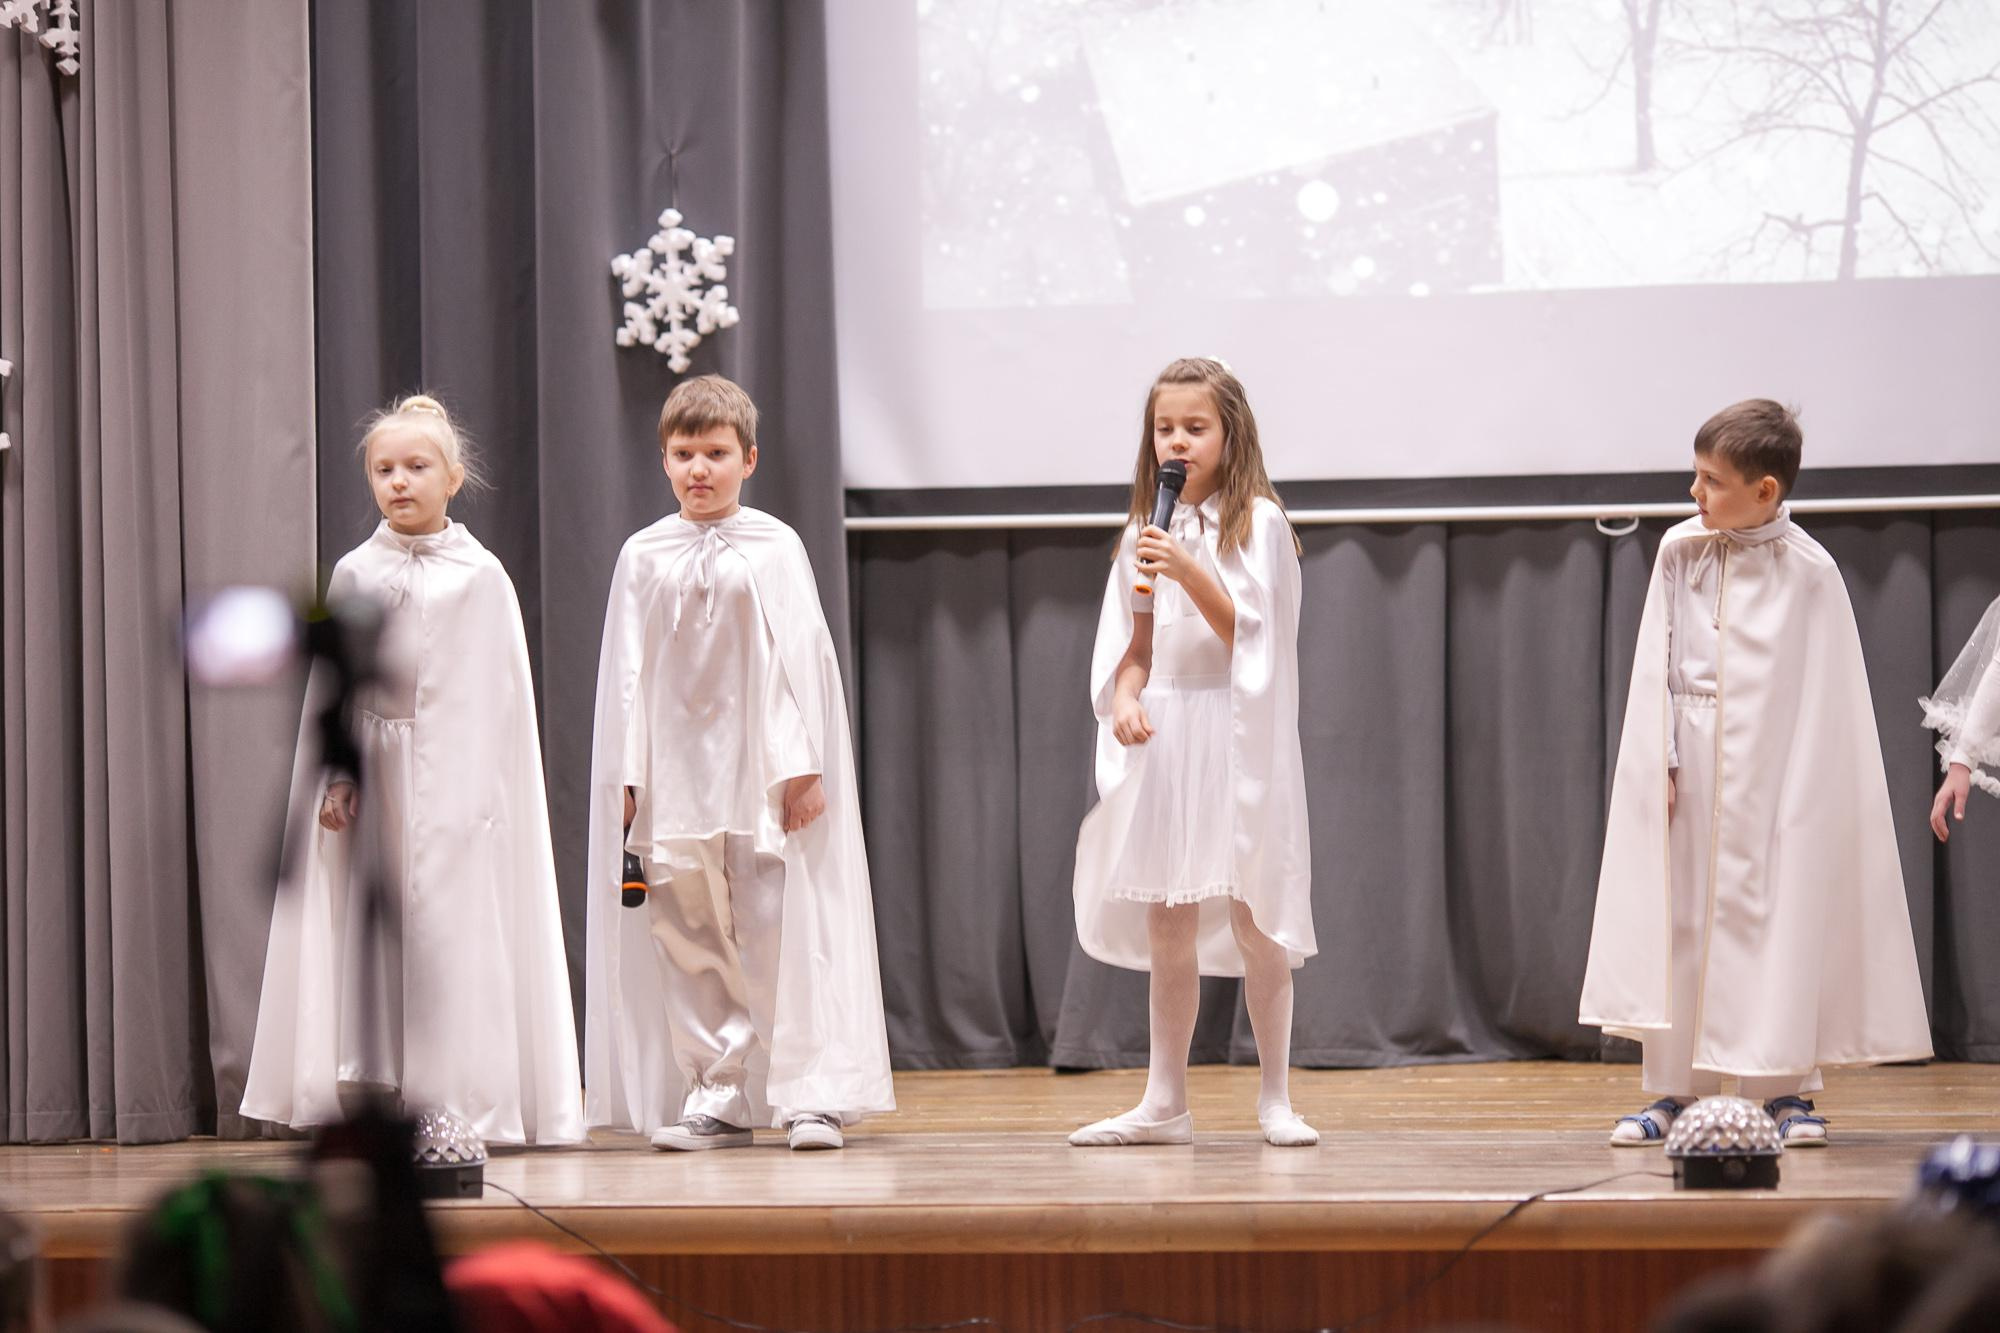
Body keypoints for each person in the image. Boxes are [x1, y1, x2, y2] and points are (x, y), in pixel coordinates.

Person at [1580, 399, 1930, 1148]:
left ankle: (1782, 1086)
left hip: (1776, 768)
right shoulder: (1680, 550)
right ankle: (1676, 1088)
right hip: (1694, 755)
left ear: (1765, 490)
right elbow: (1658, 661)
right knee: (1685, 918)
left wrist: (1803, 789)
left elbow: (1828, 698)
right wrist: (1662, 755)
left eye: (1712, 481)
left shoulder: (1810, 569)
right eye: (1696, 476)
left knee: (1777, 915)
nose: (1695, 494)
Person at [242, 394, 583, 1147]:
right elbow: (332, 691)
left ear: (453, 476)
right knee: (377, 929)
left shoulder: (481, 576)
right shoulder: (355, 571)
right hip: (377, 777)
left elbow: (500, 700)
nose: (399, 481)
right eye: (384, 469)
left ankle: (462, 1090)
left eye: (416, 466)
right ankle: (375, 1086)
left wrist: (479, 791)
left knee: (453, 931)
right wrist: (337, 774)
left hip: (459, 787)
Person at [583, 375, 893, 1152]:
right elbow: (625, 672)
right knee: (687, 924)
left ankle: (806, 1089)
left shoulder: (776, 547)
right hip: (676, 773)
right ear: (662, 460)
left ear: (748, 458)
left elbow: (799, 663)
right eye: (683, 453)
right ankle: (717, 1087)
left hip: (758, 770)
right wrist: (627, 770)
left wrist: (802, 764)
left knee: (775, 924)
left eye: (715, 453)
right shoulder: (642, 555)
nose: (699, 469)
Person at [1068, 357, 1318, 1149]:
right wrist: (1131, 697)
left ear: (1228, 432)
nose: (1177, 439)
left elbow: (1258, 636)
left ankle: (1275, 1096)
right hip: (1173, 733)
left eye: (1195, 426)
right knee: (1167, 924)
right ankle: (1164, 1100)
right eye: (1165, 426)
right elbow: (1136, 645)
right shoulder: (1148, 523)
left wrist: (1192, 566)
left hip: (1236, 733)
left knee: (1256, 920)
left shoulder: (1263, 523)